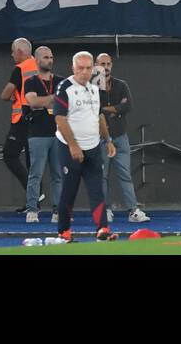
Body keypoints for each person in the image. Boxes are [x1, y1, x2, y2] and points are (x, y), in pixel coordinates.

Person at [53, 51, 118, 242]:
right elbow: (60, 118)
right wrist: (73, 146)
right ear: (73, 68)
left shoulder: (95, 88)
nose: (85, 72)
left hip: (93, 146)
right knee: (69, 189)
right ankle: (63, 231)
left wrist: (108, 140)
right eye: (80, 68)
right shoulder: (64, 87)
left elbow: (99, 116)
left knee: (97, 189)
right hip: (68, 146)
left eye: (89, 68)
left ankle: (103, 229)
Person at [95, 52, 148, 223]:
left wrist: (107, 109)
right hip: (101, 138)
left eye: (109, 63)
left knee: (125, 174)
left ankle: (133, 210)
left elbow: (128, 106)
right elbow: (96, 109)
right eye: (102, 64)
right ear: (96, 66)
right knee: (102, 175)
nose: (106, 67)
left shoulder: (121, 85)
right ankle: (106, 209)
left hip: (120, 137)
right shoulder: (92, 87)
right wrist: (115, 108)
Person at [22, 46, 61, 224]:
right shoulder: (30, 82)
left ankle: (58, 210)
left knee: (58, 175)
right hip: (37, 133)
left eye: (51, 57)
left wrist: (42, 101)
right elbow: (32, 102)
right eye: (46, 57)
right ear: (37, 60)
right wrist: (53, 98)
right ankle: (32, 209)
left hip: (59, 133)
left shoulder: (61, 81)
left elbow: (64, 104)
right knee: (35, 174)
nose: (50, 60)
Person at [0, 37, 36, 207]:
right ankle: (34, 203)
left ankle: (33, 193)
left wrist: (13, 95)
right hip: (39, 119)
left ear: (20, 52)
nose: (12, 55)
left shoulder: (20, 69)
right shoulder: (39, 65)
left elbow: (5, 95)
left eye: (13, 52)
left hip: (21, 119)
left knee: (9, 155)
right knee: (33, 161)